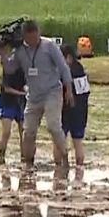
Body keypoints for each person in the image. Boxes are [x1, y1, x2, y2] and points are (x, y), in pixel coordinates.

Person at [13, 20, 73, 167]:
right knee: (28, 131)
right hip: (33, 96)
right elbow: (10, 69)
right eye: (30, 38)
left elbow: (63, 68)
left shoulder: (49, 46)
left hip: (52, 91)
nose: (34, 41)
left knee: (53, 125)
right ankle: (29, 162)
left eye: (36, 37)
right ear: (25, 37)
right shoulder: (20, 51)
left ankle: (65, 156)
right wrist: (3, 54)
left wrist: (69, 90)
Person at [0, 44, 27, 165]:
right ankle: (1, 156)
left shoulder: (26, 69)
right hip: (7, 102)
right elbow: (7, 88)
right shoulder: (9, 69)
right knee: (6, 131)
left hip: (22, 103)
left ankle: (24, 158)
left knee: (24, 132)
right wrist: (22, 93)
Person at [61, 43, 90, 168]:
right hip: (81, 110)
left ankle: (61, 169)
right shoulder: (80, 68)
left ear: (68, 57)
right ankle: (79, 171)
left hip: (66, 109)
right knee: (78, 142)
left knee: (60, 141)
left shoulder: (64, 72)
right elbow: (86, 92)